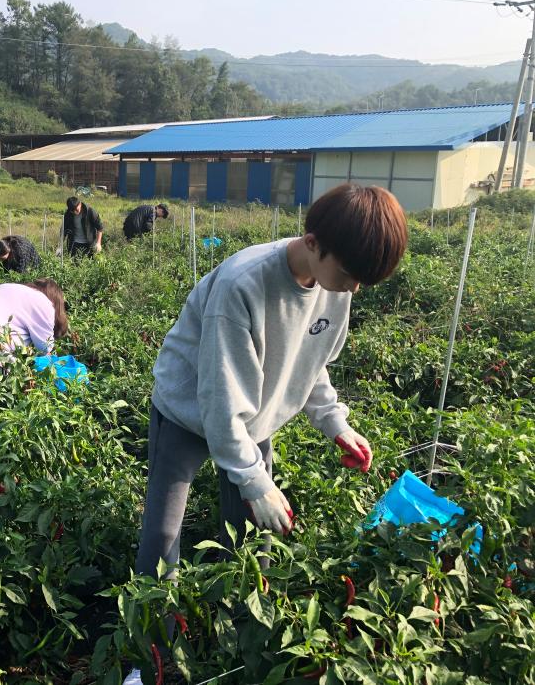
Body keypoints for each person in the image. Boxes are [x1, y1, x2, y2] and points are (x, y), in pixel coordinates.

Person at [122, 184, 408, 685]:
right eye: (349, 275)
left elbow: (310, 361)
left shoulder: (335, 284)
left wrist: (335, 422)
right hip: (188, 413)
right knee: (163, 536)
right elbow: (220, 404)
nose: (353, 290)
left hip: (250, 419)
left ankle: (239, 636)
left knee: (252, 537)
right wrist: (256, 482)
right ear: (313, 243)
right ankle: (148, 662)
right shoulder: (243, 286)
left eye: (363, 281)